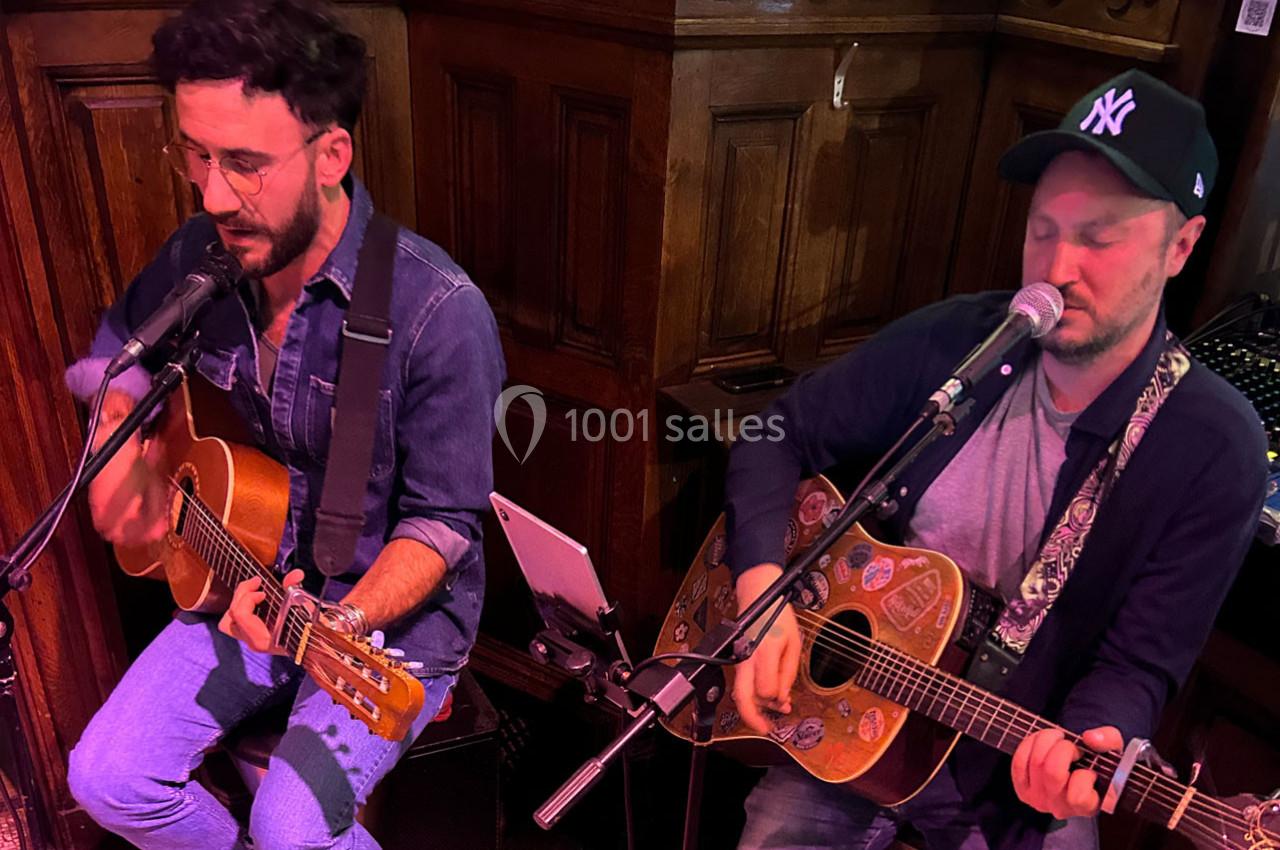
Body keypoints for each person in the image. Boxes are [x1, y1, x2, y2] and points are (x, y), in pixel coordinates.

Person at [724, 69, 1267, 850]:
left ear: (1181, 245)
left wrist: (1091, 741)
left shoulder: (1214, 447)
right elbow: (781, 433)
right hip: (848, 715)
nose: (1057, 266)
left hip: (1005, 774)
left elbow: (1141, 664)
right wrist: (761, 594)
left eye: (1099, 237)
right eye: (1043, 228)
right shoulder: (959, 340)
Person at [61, 1, 505, 848]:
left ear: (332, 152)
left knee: (292, 828)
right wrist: (120, 436)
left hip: (381, 620)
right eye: (197, 155)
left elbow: (444, 524)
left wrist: (338, 626)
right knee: (106, 779)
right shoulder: (205, 255)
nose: (213, 193)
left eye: (245, 163)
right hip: (238, 572)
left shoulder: (438, 313)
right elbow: (118, 351)